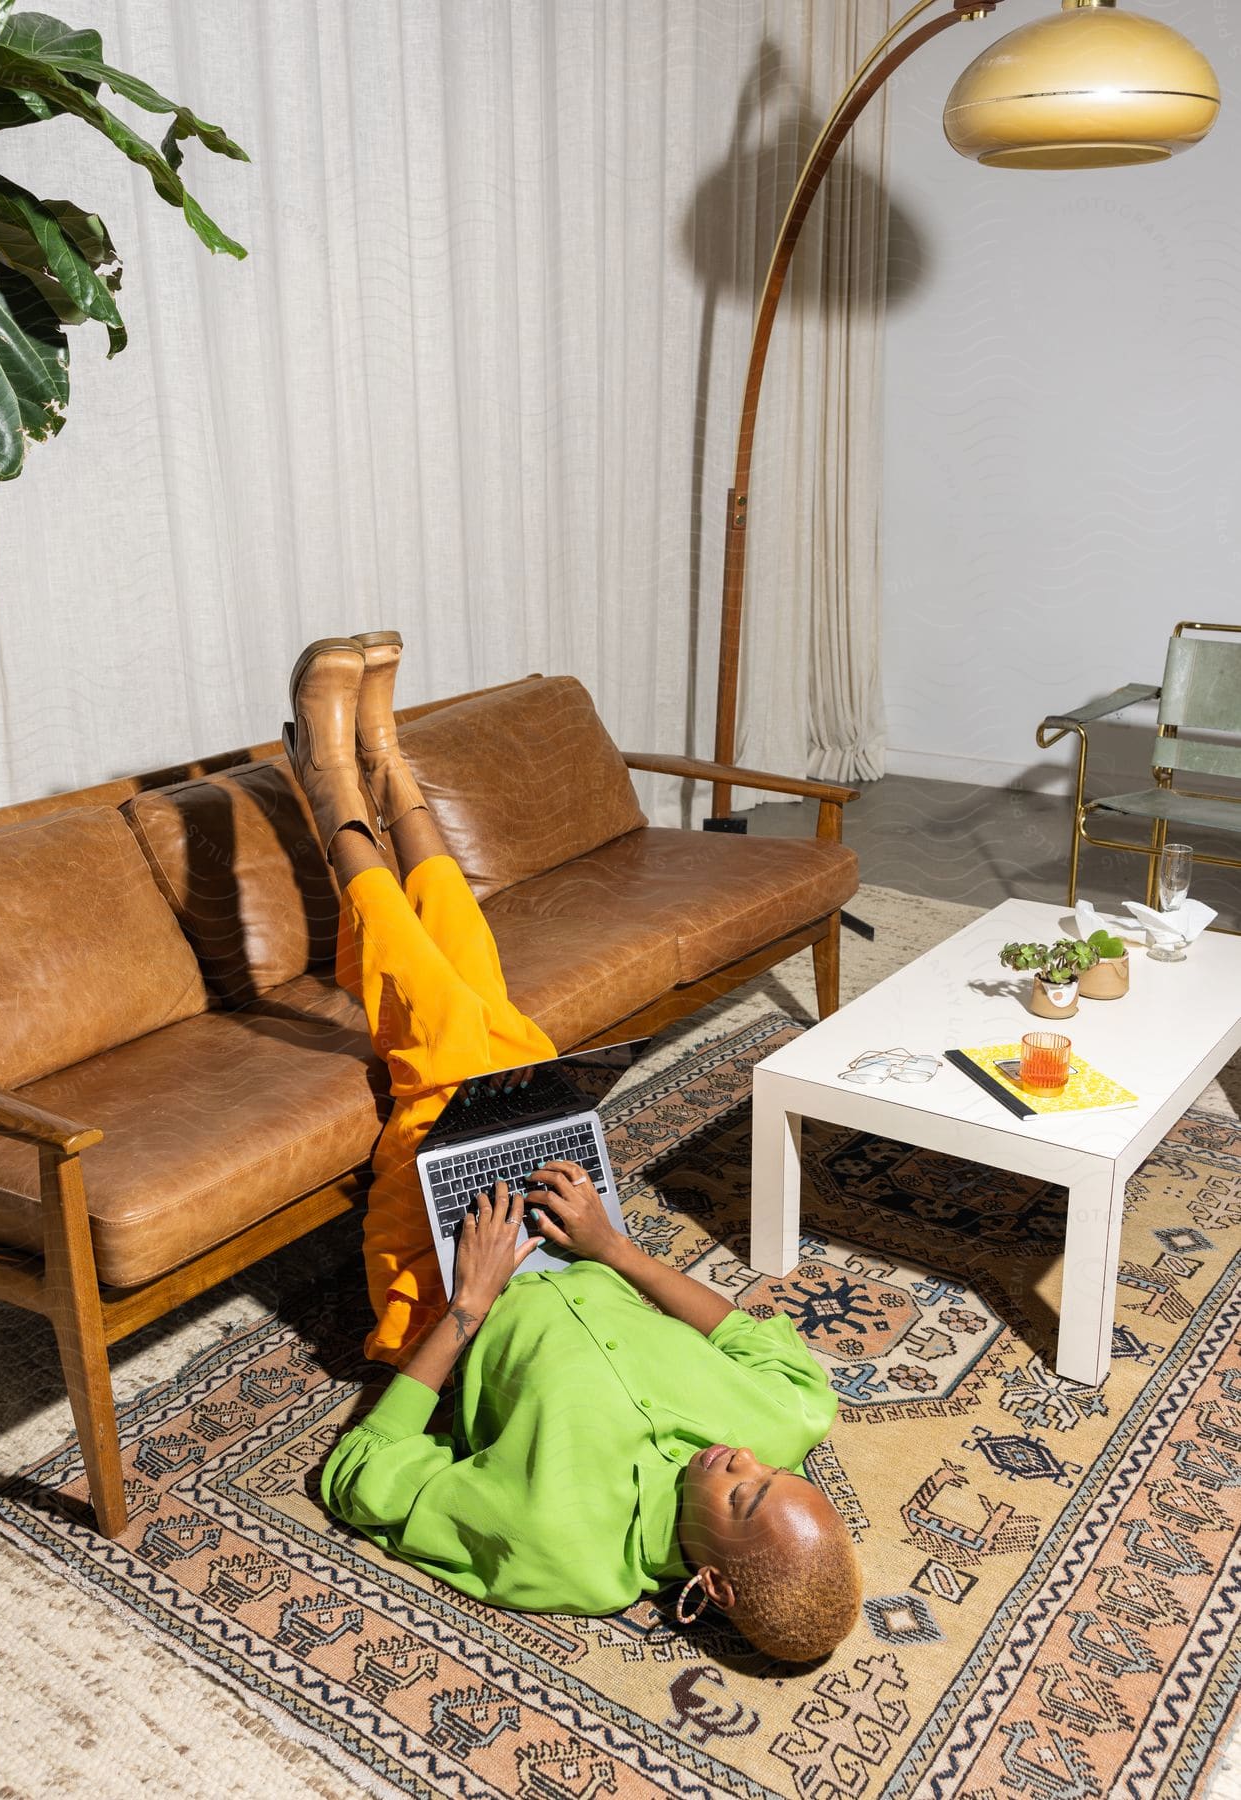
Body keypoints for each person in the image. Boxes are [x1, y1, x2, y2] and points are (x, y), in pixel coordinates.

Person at [285, 634, 861, 1661]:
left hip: (443, 1260)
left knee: (453, 1037)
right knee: (490, 1017)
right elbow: (757, 1343)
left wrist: (469, 1303)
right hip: (572, 1219)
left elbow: (362, 1476)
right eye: (774, 1474)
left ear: (709, 1584)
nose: (742, 1458)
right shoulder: (792, 1417)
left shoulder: (564, 1552)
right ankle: (371, 768)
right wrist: (614, 1248)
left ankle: (342, 773)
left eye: (742, 1491)